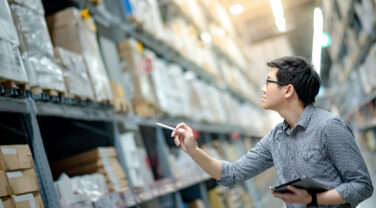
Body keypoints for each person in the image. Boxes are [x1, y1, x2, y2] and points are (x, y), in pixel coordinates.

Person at [171, 56, 373, 207]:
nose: (263, 89)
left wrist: (312, 199)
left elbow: (362, 185)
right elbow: (231, 174)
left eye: (269, 82)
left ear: (288, 90)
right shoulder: (276, 137)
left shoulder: (329, 127)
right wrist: (193, 151)